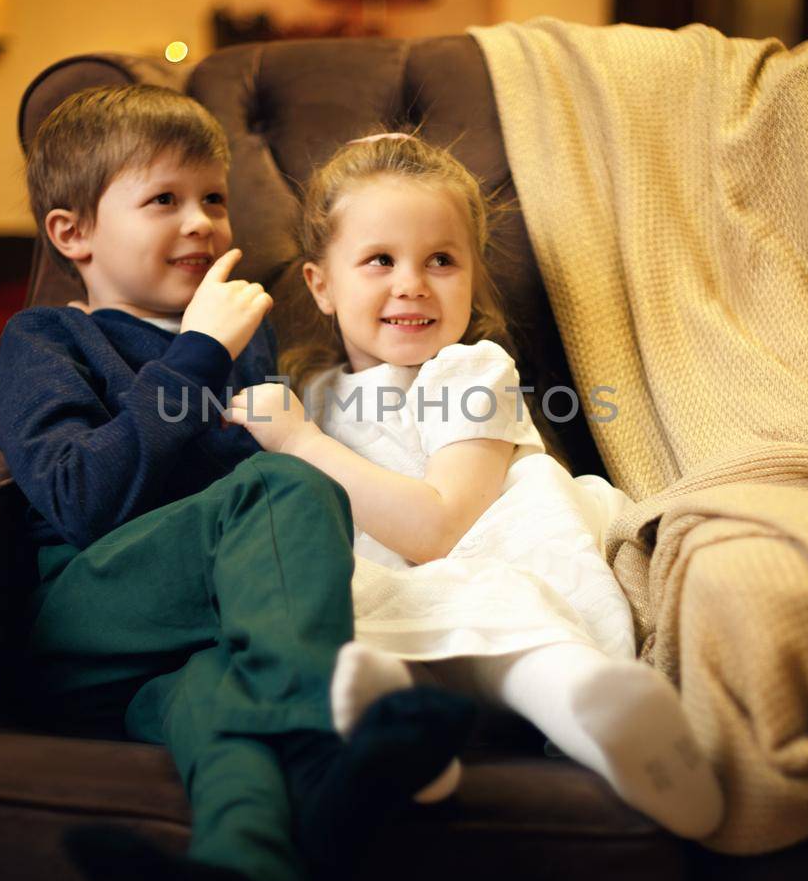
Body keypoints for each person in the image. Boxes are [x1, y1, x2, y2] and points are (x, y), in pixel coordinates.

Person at [0, 88, 475, 881]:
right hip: (91, 622)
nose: (202, 222)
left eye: (214, 198)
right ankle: (326, 747)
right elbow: (78, 499)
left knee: (233, 724)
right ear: (74, 233)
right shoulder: (48, 341)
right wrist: (196, 353)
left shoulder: (246, 337)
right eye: (164, 201)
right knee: (290, 484)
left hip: (191, 658)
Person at [226, 132, 725, 839]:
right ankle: (403, 740)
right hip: (392, 593)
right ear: (321, 285)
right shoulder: (315, 392)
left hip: (484, 563)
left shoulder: (469, 372)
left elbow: (442, 530)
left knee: (506, 628)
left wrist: (298, 442)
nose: (412, 282)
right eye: (379, 260)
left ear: (471, 275)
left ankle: (607, 719)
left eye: (441, 259)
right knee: (341, 619)